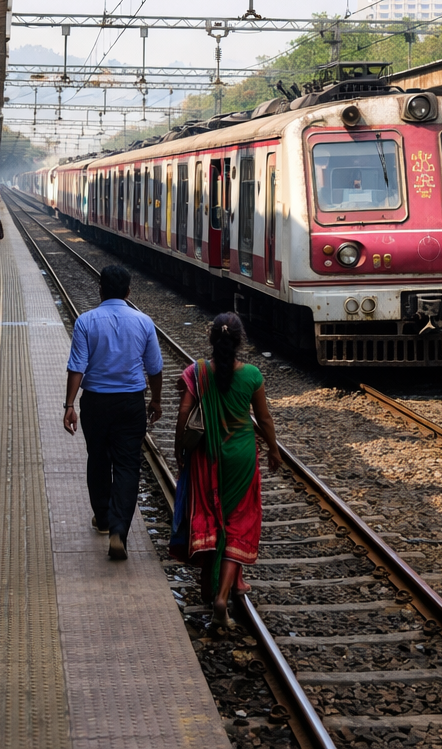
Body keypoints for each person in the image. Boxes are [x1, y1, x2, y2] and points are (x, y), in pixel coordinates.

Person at [170, 313, 281, 628]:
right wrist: (273, 450)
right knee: (239, 523)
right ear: (239, 340)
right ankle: (223, 595)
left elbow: (183, 413)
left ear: (211, 340)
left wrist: (180, 450)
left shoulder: (197, 372)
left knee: (209, 517)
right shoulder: (252, 375)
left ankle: (210, 587)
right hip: (242, 456)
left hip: (208, 457)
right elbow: (265, 419)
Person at [61, 265, 163, 560]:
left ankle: (103, 518)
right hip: (131, 403)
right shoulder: (144, 322)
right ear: (129, 292)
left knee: (98, 458)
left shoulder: (86, 322)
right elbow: (155, 369)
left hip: (95, 403)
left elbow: (76, 367)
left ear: (100, 290)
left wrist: (69, 405)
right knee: (128, 465)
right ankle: (119, 529)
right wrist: (155, 400)